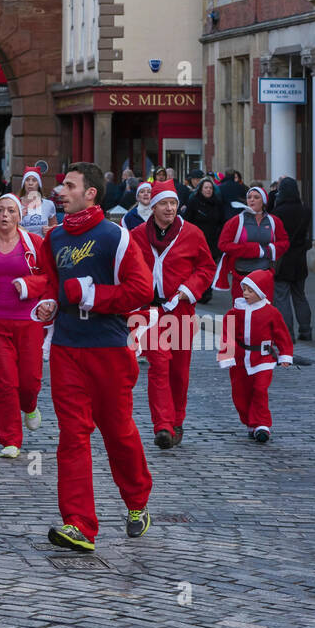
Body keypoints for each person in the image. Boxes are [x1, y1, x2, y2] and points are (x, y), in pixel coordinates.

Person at [28, 162, 154, 553]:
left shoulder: (115, 236)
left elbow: (141, 290)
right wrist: (49, 301)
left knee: (118, 431)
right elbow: (50, 281)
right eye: (61, 185)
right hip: (66, 347)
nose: (60, 191)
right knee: (72, 435)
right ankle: (79, 524)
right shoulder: (55, 237)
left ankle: (137, 502)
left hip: (109, 348)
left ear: (91, 193)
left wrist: (94, 296)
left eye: (69, 185)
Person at [130, 180, 216, 451]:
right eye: (164, 203)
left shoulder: (192, 233)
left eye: (173, 203)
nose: (169, 208)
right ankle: (162, 426)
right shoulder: (136, 235)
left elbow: (206, 268)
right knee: (158, 364)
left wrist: (186, 291)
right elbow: (126, 267)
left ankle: (176, 421)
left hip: (180, 310)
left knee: (178, 370)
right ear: (152, 206)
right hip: (150, 312)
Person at [0, 194, 47, 459]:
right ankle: (10, 439)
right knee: (4, 383)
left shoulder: (34, 243)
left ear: (19, 216)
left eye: (10, 211)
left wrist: (28, 285)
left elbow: (49, 277)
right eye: (0, 210)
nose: (4, 215)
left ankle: (30, 405)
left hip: (29, 320)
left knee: (29, 381)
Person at [217, 269, 294, 444]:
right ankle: (250, 422)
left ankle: (262, 425)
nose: (245, 294)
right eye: (244, 289)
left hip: (263, 358)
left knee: (260, 389)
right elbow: (227, 334)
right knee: (240, 393)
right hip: (240, 358)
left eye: (250, 291)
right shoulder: (236, 311)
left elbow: (282, 335)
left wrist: (285, 355)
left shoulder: (271, 312)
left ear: (261, 292)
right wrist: (227, 354)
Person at [214, 185, 289, 294]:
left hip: (264, 274)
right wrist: (251, 250)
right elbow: (223, 244)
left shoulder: (274, 221)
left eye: (256, 197)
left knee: (262, 310)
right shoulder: (236, 221)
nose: (252, 200)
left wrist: (270, 250)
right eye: (249, 197)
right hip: (241, 275)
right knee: (241, 310)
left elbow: (285, 242)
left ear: (263, 201)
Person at [271, 177, 313, 341]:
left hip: (283, 259)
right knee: (300, 295)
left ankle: (288, 333)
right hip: (300, 259)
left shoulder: (277, 213)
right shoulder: (305, 210)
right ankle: (306, 330)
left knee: (281, 296)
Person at [183, 177, 224, 303]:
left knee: (208, 267)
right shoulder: (194, 201)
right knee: (196, 267)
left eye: (210, 188)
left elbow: (222, 221)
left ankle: (206, 291)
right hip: (196, 240)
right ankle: (196, 290)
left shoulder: (217, 203)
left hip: (212, 241)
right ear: (200, 189)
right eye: (206, 187)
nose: (208, 190)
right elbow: (187, 220)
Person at [17, 167, 57, 236]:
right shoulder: (15, 204)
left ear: (39, 184)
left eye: (34, 180)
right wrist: (18, 217)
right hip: (22, 245)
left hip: (41, 245)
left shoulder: (48, 204)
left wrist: (50, 230)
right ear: (24, 183)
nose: (30, 183)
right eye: (27, 180)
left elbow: (55, 226)